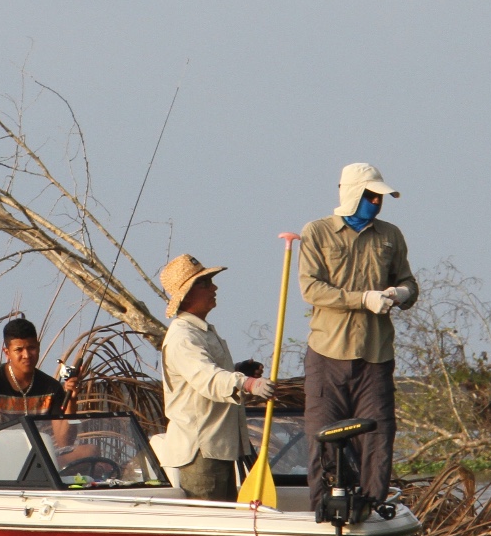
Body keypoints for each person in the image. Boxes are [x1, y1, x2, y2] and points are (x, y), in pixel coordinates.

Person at [297, 162, 418, 515]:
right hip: (327, 354)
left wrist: (399, 293)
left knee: (378, 439)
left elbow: (411, 284)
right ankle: (324, 510)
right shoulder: (317, 232)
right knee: (322, 436)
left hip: (375, 356)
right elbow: (311, 288)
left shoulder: (391, 235)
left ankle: (370, 508)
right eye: (370, 196)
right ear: (351, 194)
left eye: (380, 197)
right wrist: (362, 298)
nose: (377, 203)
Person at [154, 254, 275, 501]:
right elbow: (207, 379)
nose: (214, 287)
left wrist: (240, 371)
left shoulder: (201, 331)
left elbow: (210, 373)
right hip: (201, 451)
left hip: (218, 447)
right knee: (209, 528)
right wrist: (248, 383)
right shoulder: (183, 337)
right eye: (206, 283)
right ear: (187, 294)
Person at [0, 317, 78, 431]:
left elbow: (63, 442)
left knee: (89, 449)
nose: (27, 355)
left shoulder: (52, 387)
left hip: (41, 449)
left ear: (38, 347)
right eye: (19, 350)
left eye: (31, 348)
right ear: (7, 353)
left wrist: (71, 402)